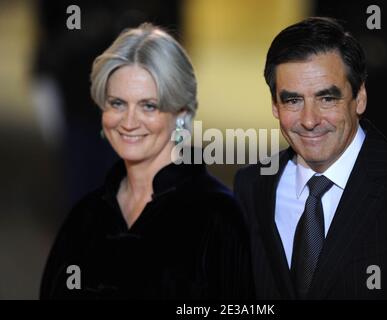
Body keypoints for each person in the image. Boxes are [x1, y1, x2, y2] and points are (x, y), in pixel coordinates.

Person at [234, 17, 387, 299]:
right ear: (275, 106)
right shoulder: (252, 186)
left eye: (326, 99)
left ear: (359, 97)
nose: (310, 120)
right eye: (293, 100)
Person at [40, 23, 254, 299]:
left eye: (148, 106)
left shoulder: (218, 216)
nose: (129, 122)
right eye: (117, 103)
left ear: (181, 114)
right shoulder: (85, 216)